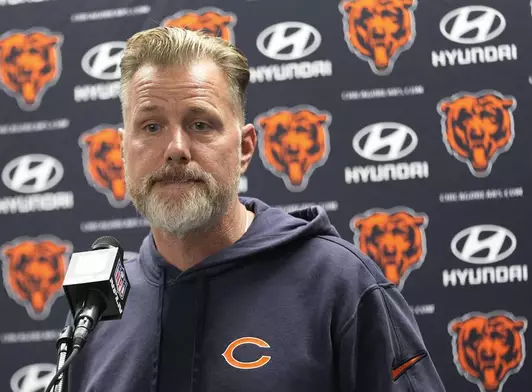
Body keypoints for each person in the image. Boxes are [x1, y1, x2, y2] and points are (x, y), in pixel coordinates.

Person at [67, 26, 447, 392]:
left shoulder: (341, 285)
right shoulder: (94, 314)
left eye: (200, 124)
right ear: (122, 150)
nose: (175, 148)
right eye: (151, 127)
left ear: (245, 148)